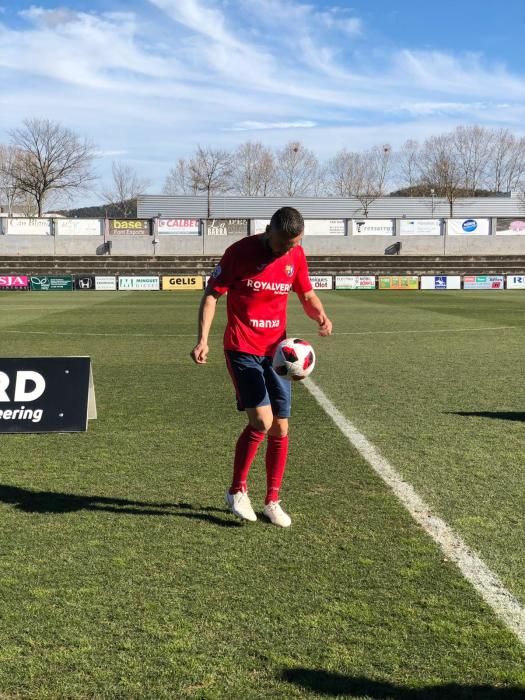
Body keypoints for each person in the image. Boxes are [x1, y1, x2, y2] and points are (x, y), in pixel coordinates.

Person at [190, 207, 332, 527]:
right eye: (284, 243)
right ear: (269, 231)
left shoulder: (296, 255)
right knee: (262, 421)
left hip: (278, 355)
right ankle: (237, 491)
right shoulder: (239, 253)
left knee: (281, 427)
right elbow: (212, 295)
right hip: (242, 347)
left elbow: (306, 293)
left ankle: (272, 500)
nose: (288, 249)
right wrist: (203, 340)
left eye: (294, 243)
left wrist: (320, 315)